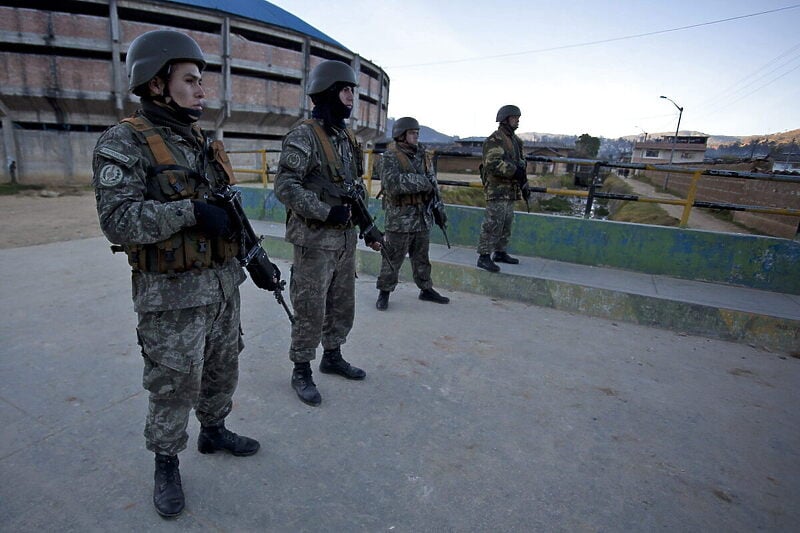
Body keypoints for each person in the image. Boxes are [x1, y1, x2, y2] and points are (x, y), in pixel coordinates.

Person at [92, 30, 262, 518]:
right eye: (191, 79)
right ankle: (166, 462)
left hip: (222, 286)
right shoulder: (125, 142)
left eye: (202, 80)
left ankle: (213, 429)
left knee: (223, 365)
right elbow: (118, 220)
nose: (202, 89)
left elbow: (230, 215)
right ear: (156, 83)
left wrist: (255, 259)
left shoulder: (203, 143)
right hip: (170, 297)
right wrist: (188, 213)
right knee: (172, 383)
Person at [274, 60, 381, 406]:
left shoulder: (347, 137)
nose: (352, 97)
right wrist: (325, 211)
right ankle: (301, 368)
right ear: (328, 92)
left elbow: (352, 186)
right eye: (346, 90)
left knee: (341, 303)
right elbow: (285, 186)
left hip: (345, 238)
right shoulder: (304, 135)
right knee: (310, 305)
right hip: (314, 240)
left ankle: (332, 355)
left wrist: (363, 223)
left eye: (353, 91)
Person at [375, 117, 449, 310]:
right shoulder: (389, 156)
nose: (416, 136)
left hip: (422, 216)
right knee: (392, 258)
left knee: (422, 258)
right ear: (401, 135)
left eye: (417, 132)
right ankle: (384, 292)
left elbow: (432, 183)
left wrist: (439, 208)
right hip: (400, 219)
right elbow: (392, 184)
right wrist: (421, 182)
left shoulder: (423, 154)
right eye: (412, 132)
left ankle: (426, 289)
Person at [476, 104, 530, 272]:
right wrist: (515, 171)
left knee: (506, 223)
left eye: (518, 118)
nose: (517, 121)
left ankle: (500, 252)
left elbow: (521, 164)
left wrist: (524, 182)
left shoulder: (516, 141)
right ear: (505, 119)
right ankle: (484, 256)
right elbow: (492, 164)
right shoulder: (495, 140)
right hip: (497, 190)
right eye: (514, 118)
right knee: (493, 222)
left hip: (510, 190)